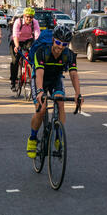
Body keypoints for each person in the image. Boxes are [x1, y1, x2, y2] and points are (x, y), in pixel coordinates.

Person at [26, 24, 83, 159]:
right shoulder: (42, 51)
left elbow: (73, 74)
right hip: (41, 79)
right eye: (58, 42)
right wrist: (40, 91)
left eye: (64, 44)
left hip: (55, 79)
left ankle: (58, 137)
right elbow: (39, 73)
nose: (60, 47)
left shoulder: (68, 55)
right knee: (41, 109)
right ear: (53, 40)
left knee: (60, 102)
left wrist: (78, 94)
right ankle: (33, 139)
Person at [9, 7, 40, 92]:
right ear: (23, 16)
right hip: (16, 41)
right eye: (27, 17)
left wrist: (38, 46)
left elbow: (37, 35)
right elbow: (15, 35)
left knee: (32, 58)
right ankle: (13, 81)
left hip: (28, 40)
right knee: (15, 60)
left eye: (31, 17)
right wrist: (17, 46)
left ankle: (32, 77)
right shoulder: (18, 22)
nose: (29, 19)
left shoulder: (35, 22)